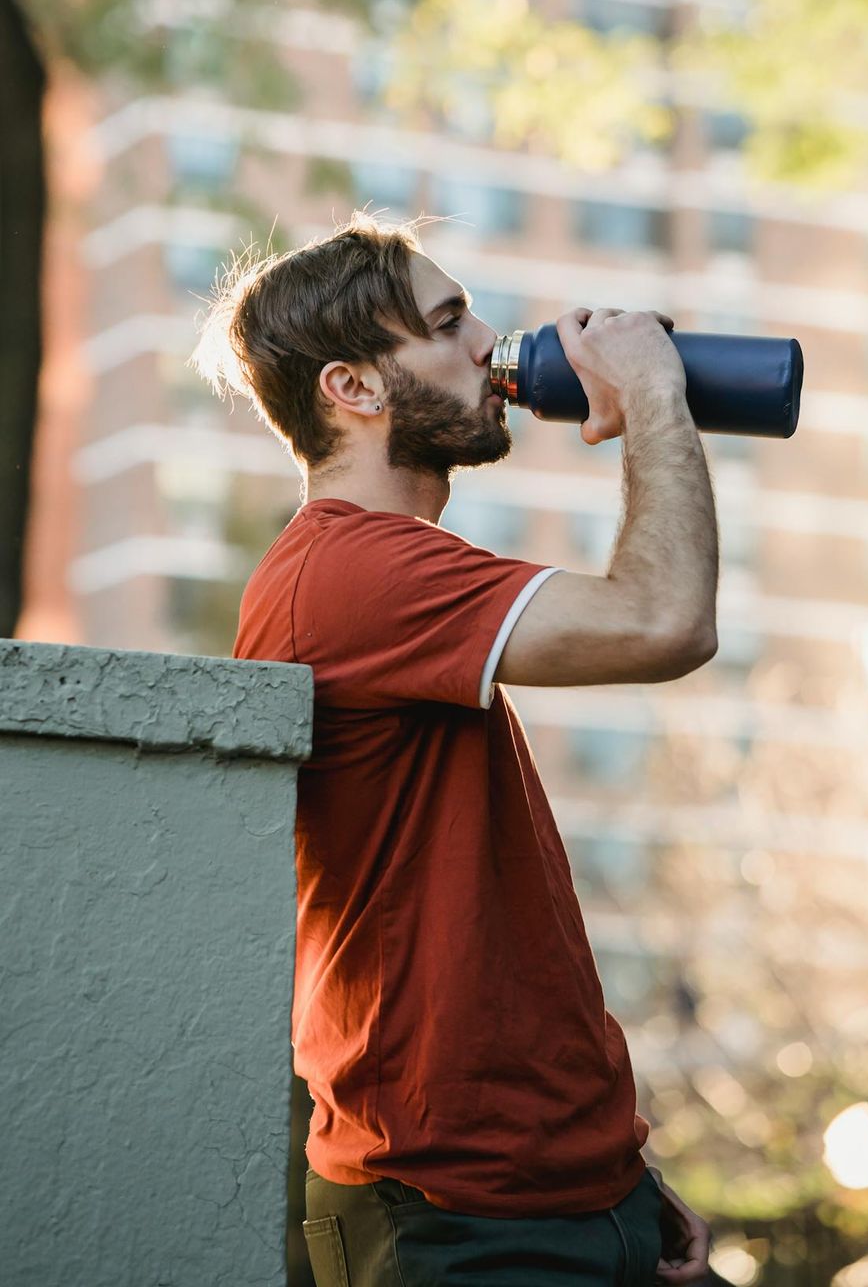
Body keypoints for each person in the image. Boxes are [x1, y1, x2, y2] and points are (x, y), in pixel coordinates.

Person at [193, 211, 718, 1286]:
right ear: (355, 389)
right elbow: (665, 620)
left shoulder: (402, 571)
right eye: (446, 323)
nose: (489, 341)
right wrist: (655, 388)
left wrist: (612, 1173)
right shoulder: (351, 575)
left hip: (561, 1189)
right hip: (453, 1212)